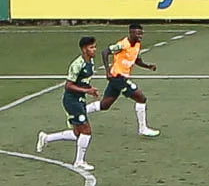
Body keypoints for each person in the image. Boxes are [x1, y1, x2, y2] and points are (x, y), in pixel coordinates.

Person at [36, 36, 103, 170]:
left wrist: (89, 90)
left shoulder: (91, 61)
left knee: (78, 134)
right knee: (86, 130)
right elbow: (68, 85)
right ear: (84, 49)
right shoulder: (77, 64)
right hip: (72, 101)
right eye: (91, 47)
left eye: (95, 46)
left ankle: (46, 138)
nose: (94, 50)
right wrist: (88, 90)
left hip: (80, 99)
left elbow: (84, 81)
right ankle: (79, 161)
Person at [98, 23, 160, 137]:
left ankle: (80, 112)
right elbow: (105, 52)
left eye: (141, 34)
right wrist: (107, 71)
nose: (140, 36)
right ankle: (143, 128)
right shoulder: (122, 44)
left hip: (122, 77)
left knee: (105, 105)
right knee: (141, 98)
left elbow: (137, 60)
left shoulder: (137, 45)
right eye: (138, 33)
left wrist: (148, 66)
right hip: (117, 77)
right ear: (131, 33)